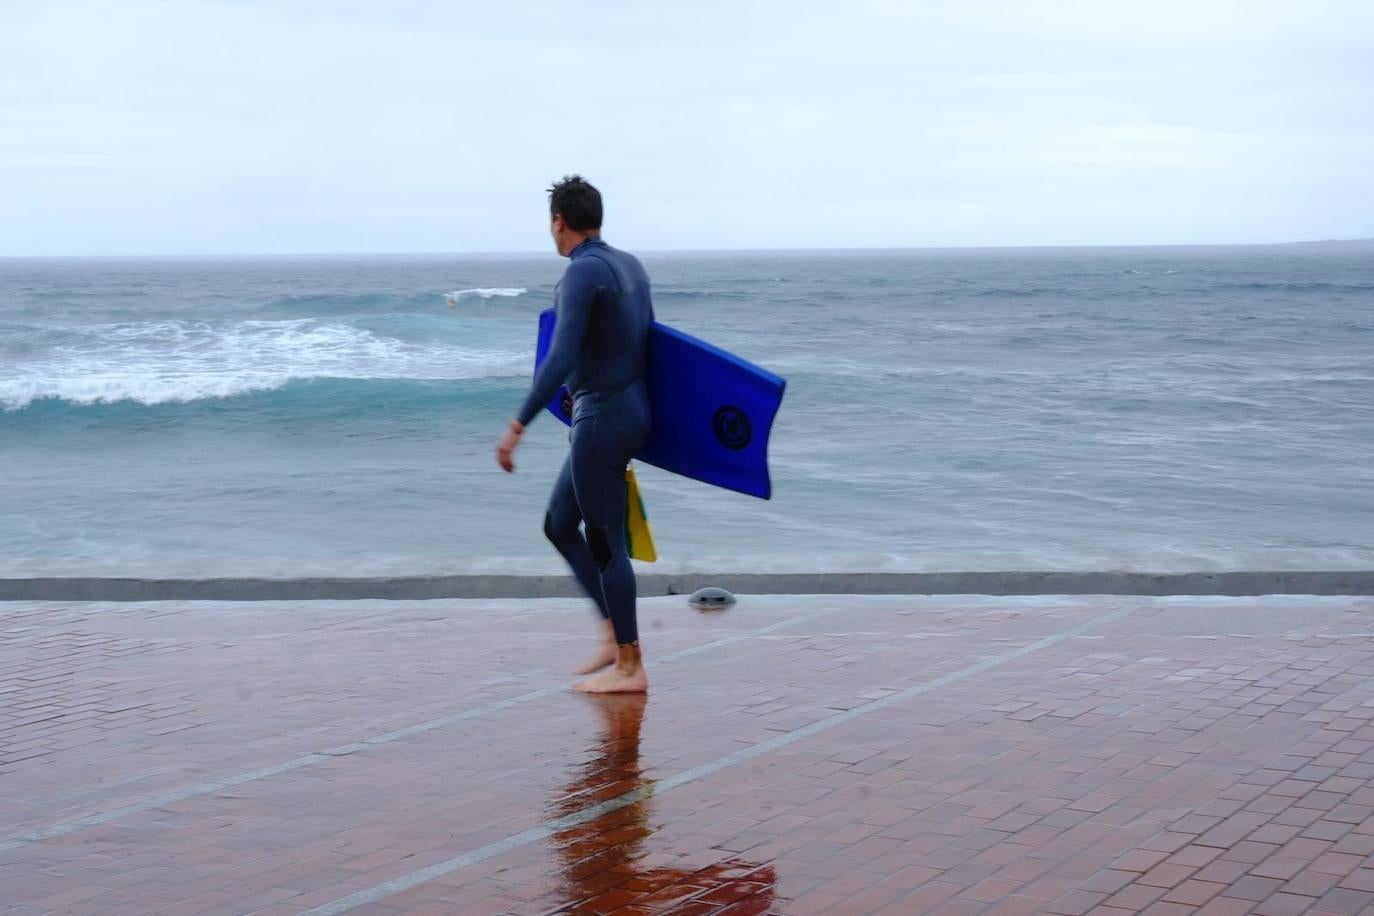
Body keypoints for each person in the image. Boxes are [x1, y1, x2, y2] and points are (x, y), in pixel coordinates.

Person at [496, 175, 653, 694]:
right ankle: (613, 633)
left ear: (559, 221)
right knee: (560, 523)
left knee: (605, 543)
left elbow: (560, 355)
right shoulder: (631, 265)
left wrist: (518, 425)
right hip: (629, 411)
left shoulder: (579, 275)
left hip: (602, 420)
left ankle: (630, 665)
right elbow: (643, 343)